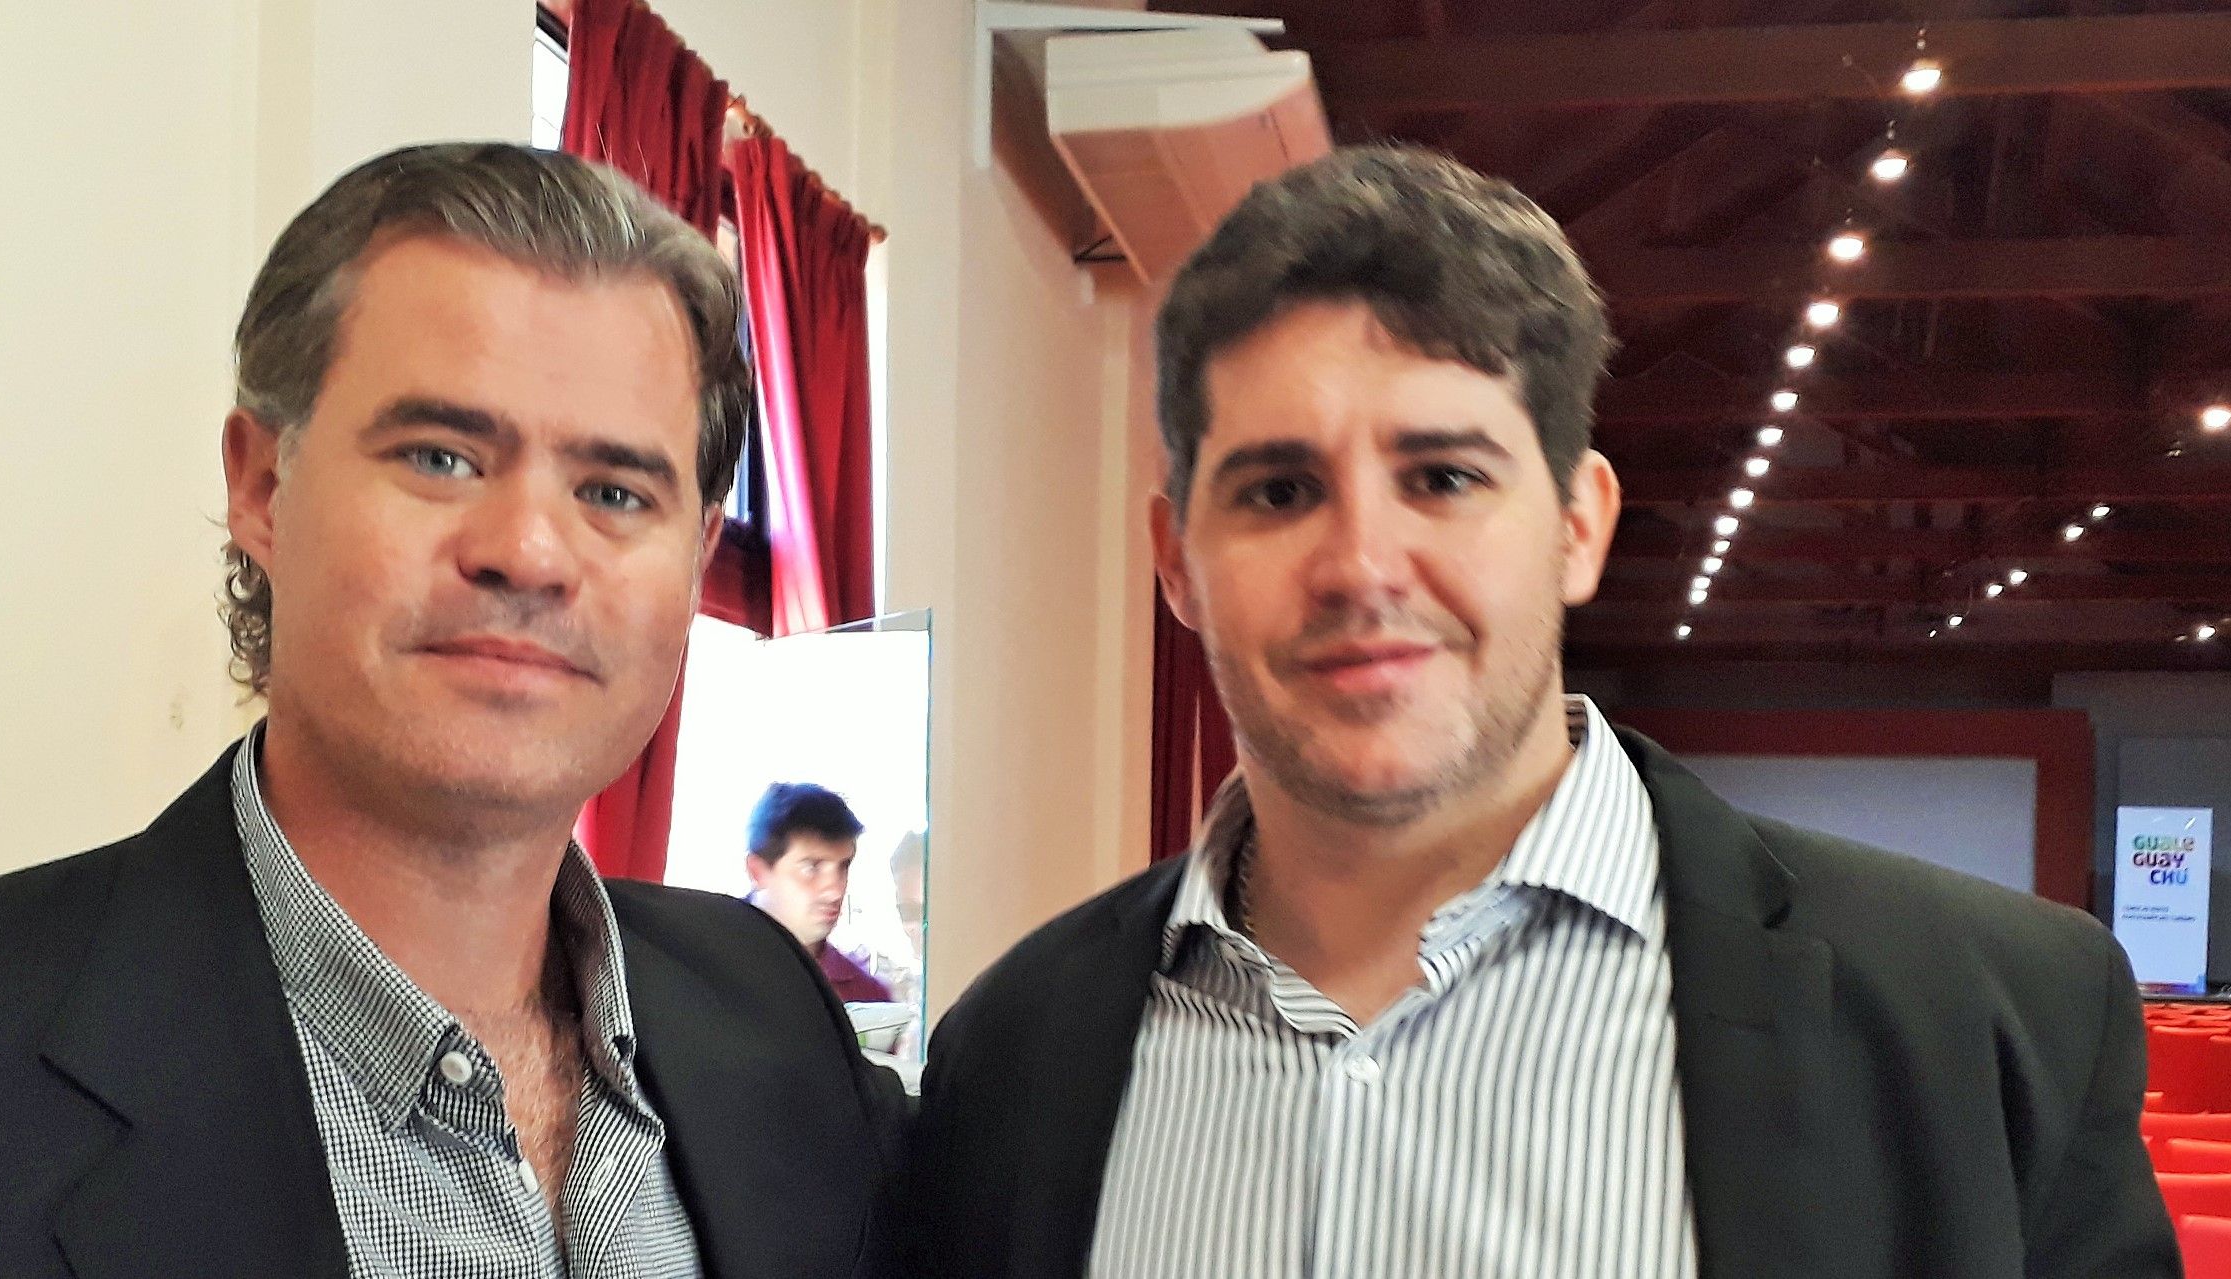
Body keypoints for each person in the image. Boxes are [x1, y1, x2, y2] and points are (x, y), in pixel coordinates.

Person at [891, 145, 2176, 1278]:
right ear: (1176, 560)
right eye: (1277, 491)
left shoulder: (1990, 1024)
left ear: (1576, 526)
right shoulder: (1010, 1055)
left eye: (1442, 477)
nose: (1361, 565)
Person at [0, 144, 901, 1278]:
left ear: (692, 561)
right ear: (260, 488)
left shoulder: (768, 1013)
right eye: (440, 456)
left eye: (615, 492)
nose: (527, 549)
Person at [744, 782, 895, 1003]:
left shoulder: (868, 998)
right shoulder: (704, 966)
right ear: (757, 872)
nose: (835, 892)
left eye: (843, 867)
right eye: (811, 868)